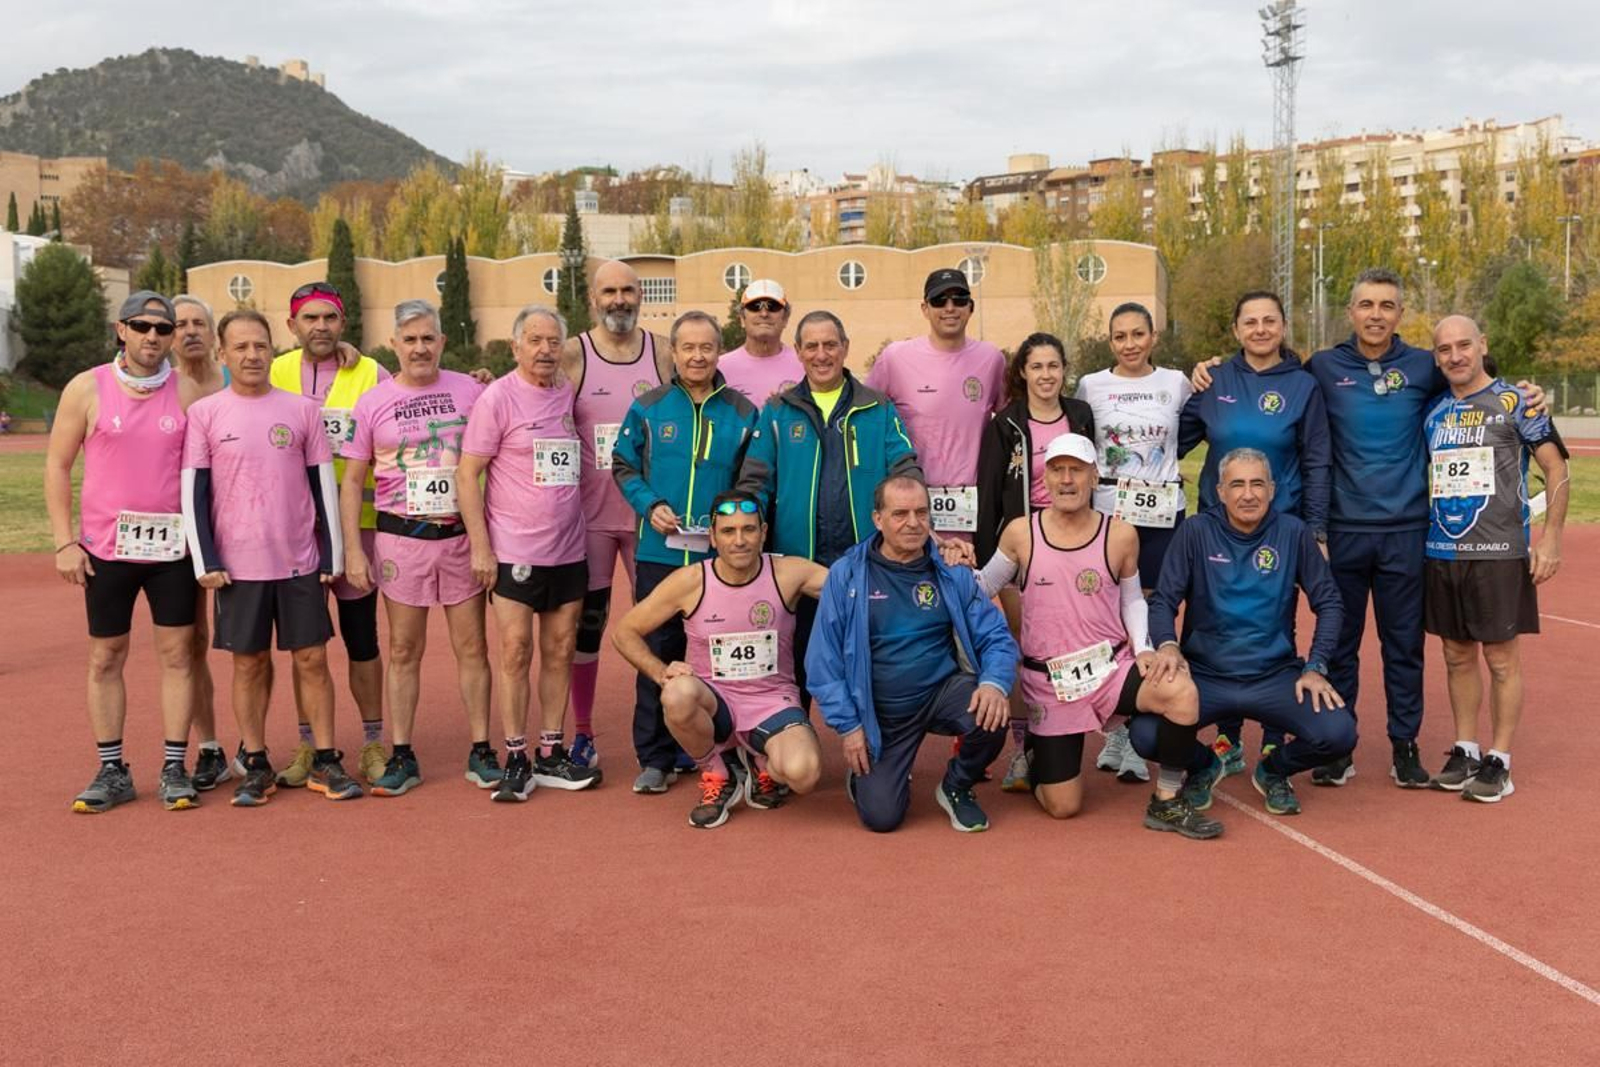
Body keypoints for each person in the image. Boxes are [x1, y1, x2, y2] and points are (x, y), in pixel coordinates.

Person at [1194, 270, 1551, 790]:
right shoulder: (1322, 366)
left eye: (1386, 305)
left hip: (1406, 529)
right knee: (1341, 644)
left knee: (1402, 644)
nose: (1376, 314)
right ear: (1352, 312)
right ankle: (1340, 749)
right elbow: (1268, 372)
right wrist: (1212, 368)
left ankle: (1404, 745)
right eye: (1366, 305)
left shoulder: (1423, 366)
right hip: (1343, 530)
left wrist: (1526, 393)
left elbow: (1474, 377)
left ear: (1399, 314)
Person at [971, 435, 1220, 838]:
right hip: (1051, 683)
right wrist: (949, 564)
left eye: (1077, 470)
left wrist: (1144, 648)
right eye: (1057, 470)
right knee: (1063, 807)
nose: (1067, 479)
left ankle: (1167, 801)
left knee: (1181, 691)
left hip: (1110, 670)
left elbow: (1133, 599)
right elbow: (981, 587)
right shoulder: (1021, 533)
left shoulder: (1120, 534)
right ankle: (1037, 756)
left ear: (1094, 476)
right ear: (1045, 478)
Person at [182, 309, 357, 806]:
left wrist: (332, 553)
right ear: (222, 354)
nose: (252, 355)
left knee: (312, 659)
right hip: (238, 567)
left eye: (260, 345)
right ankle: (256, 762)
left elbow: (323, 485)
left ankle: (326, 758)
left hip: (299, 561)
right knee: (249, 663)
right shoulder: (206, 414)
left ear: (273, 349)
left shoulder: (301, 410)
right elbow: (194, 491)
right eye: (240, 347)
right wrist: (205, 560)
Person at [46, 291, 204, 813]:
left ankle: (175, 766)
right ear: (121, 330)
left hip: (172, 551)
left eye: (163, 329)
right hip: (105, 552)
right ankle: (112, 769)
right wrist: (64, 541)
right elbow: (57, 466)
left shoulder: (187, 392)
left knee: (178, 655)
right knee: (106, 656)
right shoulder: (86, 387)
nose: (152, 337)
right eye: (141, 326)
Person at [1136, 448, 1353, 817]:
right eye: (1237, 485)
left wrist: (1316, 666)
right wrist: (1168, 646)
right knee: (1145, 735)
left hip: (1273, 675)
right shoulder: (1195, 531)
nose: (1248, 494)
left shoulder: (1293, 533)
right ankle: (1204, 764)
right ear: (1220, 491)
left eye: (1257, 484)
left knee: (1338, 733)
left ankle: (1274, 770)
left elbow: (1330, 602)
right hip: (1205, 675)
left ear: (1272, 490)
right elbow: (1163, 600)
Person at [340, 299, 497, 796]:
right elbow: (352, 482)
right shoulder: (372, 402)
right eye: (409, 340)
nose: (420, 348)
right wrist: (353, 549)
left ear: (442, 342)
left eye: (428, 338)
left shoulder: (472, 390)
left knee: (472, 647)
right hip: (400, 540)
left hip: (460, 538)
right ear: (394, 345)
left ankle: (481, 749)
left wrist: (487, 541)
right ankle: (402, 753)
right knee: (404, 649)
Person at [807, 475, 1018, 833]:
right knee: (882, 818)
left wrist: (994, 683)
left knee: (991, 712)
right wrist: (850, 726)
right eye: (900, 514)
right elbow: (821, 663)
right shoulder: (847, 575)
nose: (913, 523)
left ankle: (956, 786)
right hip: (880, 712)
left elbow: (996, 635)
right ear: (878, 519)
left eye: (921, 513)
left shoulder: (951, 571)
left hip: (941, 693)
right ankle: (877, 774)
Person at [612, 490, 830, 828]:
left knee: (804, 774)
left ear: (763, 532)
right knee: (676, 693)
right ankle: (717, 771)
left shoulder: (788, 573)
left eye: (749, 529)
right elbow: (624, 631)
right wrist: (660, 671)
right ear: (712, 536)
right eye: (728, 531)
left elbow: (851, 588)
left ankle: (760, 760)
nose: (739, 540)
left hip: (772, 702)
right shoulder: (690, 581)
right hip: (715, 703)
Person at [1179, 291, 1329, 773]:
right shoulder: (1214, 380)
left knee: (1275, 623)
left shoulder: (1303, 386)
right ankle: (1226, 735)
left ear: (1283, 326)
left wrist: (1316, 528)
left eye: (1269, 320)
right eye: (1250, 321)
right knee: (1213, 618)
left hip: (1278, 527)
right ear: (1236, 329)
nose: (1260, 329)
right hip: (1217, 526)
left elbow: (1317, 460)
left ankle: (1272, 735)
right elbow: (1174, 439)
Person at [611, 310, 761, 794]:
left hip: (718, 562)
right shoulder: (649, 407)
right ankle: (656, 757)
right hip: (659, 554)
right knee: (657, 652)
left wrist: (732, 530)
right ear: (673, 353)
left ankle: (721, 749)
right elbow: (623, 465)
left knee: (718, 657)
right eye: (688, 348)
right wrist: (649, 504)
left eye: (707, 347)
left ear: (719, 352)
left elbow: (751, 480)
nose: (698, 356)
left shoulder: (742, 412)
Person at [458, 304, 602, 802]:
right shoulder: (497, 398)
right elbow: (467, 474)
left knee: (560, 648)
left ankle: (550, 750)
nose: (545, 350)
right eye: (535, 341)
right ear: (515, 346)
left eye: (553, 341)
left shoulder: (566, 391)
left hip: (568, 547)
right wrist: (481, 547)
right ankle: (516, 755)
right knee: (516, 651)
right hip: (514, 548)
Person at [1423, 315, 1569, 802]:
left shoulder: (1517, 401)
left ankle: (1500, 760)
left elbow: (1555, 469)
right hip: (1443, 550)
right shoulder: (1433, 411)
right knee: (1455, 654)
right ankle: (1466, 749)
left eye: (1464, 345)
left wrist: (1550, 538)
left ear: (1482, 344)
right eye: (1444, 349)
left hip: (1500, 552)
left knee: (1502, 659)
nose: (1455, 356)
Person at [738, 309, 920, 698]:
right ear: (798, 352)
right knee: (795, 669)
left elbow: (905, 467)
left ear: (845, 348)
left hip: (865, 563)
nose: (821, 355)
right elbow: (755, 481)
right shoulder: (778, 411)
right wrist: (744, 528)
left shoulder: (878, 408)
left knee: (869, 669)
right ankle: (795, 732)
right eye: (812, 346)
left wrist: (914, 516)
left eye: (830, 345)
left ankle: (868, 737)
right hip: (797, 566)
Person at [269, 281, 389, 787]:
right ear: (292, 325)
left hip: (359, 530)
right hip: (297, 532)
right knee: (306, 645)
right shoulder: (273, 370)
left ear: (344, 323)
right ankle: (308, 744)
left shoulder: (371, 372)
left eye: (330, 318)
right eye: (310, 318)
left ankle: (373, 743)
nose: (321, 327)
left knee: (363, 640)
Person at [974, 332, 1100, 791]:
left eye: (1053, 366)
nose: (1046, 375)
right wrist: (991, 558)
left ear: (1064, 370)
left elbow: (1092, 480)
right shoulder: (1005, 423)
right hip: (1024, 548)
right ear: (1022, 373)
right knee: (1025, 647)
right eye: (1037, 367)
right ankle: (1022, 749)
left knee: (1074, 641)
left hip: (1076, 546)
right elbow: (989, 493)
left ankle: (1070, 735)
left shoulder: (1080, 416)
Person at [561, 260, 674, 770]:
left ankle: (671, 732)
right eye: (609, 291)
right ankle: (583, 732)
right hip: (592, 519)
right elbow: (524, 391)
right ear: (593, 298)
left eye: (627, 290)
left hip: (652, 519)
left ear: (640, 296)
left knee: (663, 627)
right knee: (587, 626)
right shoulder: (573, 354)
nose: (619, 300)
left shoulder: (663, 352)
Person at [1073, 302, 1193, 783]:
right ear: (1110, 341)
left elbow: (1193, 428)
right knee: (1112, 618)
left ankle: (1147, 724)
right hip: (1109, 513)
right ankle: (1120, 726)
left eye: (1138, 334)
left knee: (1154, 612)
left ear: (1153, 337)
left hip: (1163, 516)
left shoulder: (1177, 383)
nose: (1129, 344)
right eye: (1120, 336)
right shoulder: (1091, 385)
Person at [866, 268, 1006, 544]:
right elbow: (867, 420)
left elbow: (1008, 424)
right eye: (940, 300)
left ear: (971, 307)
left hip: (972, 507)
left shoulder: (992, 359)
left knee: (964, 570)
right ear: (925, 308)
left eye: (959, 299)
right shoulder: (895, 358)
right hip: (909, 508)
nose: (950, 308)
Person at [170, 294, 230, 789]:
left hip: (239, 525)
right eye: (179, 324)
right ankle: (209, 747)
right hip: (184, 529)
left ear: (213, 334)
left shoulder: (240, 375)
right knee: (192, 640)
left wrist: (346, 351)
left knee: (256, 642)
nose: (189, 331)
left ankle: (258, 746)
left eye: (198, 323)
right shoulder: (160, 386)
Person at [718, 279, 804, 406]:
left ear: (785, 319)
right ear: (742, 319)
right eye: (755, 307)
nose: (764, 314)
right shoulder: (719, 368)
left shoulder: (805, 364)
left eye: (772, 307)